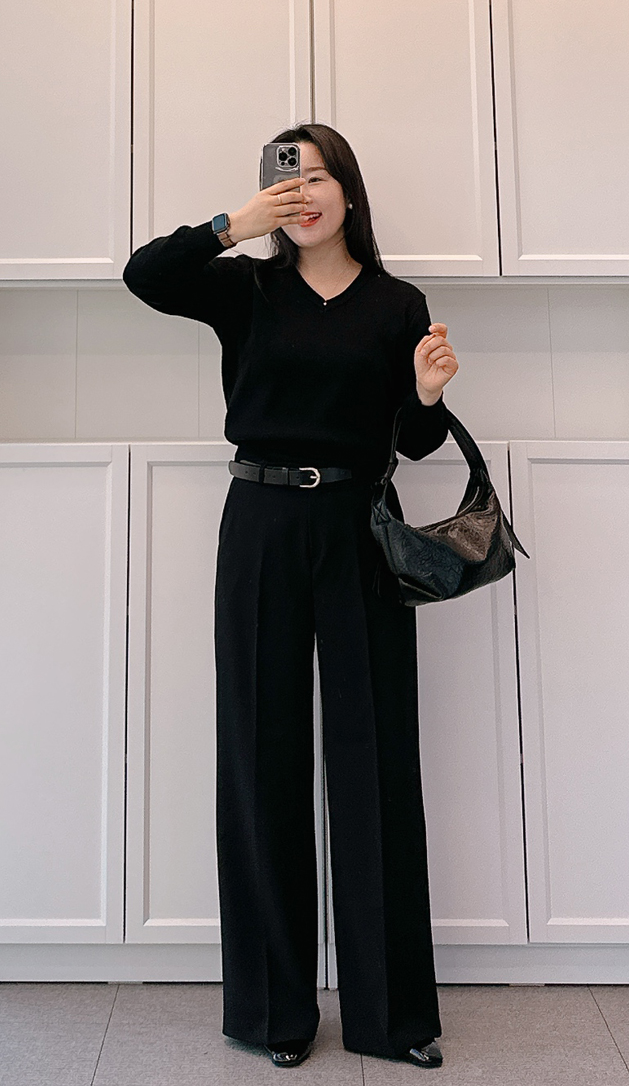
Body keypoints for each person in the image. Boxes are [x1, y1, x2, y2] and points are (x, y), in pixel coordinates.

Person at [122, 123, 459, 1069]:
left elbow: (413, 441)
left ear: (349, 189)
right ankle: (275, 1012)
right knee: (260, 753)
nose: (302, 193)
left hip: (359, 525)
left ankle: (392, 1018)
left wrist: (427, 394)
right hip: (262, 524)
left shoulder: (397, 303)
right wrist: (231, 225)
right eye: (286, 179)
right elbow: (144, 276)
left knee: (376, 756)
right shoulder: (246, 288)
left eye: (317, 177)